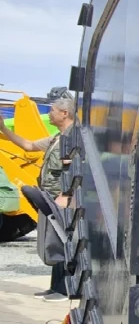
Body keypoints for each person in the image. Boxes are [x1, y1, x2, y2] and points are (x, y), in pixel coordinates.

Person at [0, 92, 77, 299]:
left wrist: (67, 194)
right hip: (51, 198)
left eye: (52, 110)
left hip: (65, 200)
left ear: (64, 113)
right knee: (54, 242)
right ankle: (55, 287)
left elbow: (77, 170)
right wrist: (4, 129)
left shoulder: (75, 139)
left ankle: (64, 289)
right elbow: (29, 146)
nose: (50, 114)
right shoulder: (57, 138)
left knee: (64, 242)